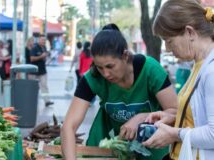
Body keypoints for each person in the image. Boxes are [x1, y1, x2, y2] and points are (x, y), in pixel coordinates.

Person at [61, 23, 178, 160]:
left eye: (110, 66)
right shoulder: (92, 78)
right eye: (100, 67)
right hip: (109, 150)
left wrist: (141, 118)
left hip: (153, 148)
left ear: (125, 55)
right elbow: (68, 127)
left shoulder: (150, 70)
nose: (105, 74)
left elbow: (175, 112)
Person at [142, 0, 214, 159]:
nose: (167, 49)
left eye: (169, 41)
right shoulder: (199, 64)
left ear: (190, 32)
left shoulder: (211, 71)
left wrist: (175, 134)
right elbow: (200, 116)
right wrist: (176, 118)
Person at [30, 35, 54, 107]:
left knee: (44, 86)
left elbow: (44, 57)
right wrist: (41, 56)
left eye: (44, 40)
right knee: (34, 87)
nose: (43, 41)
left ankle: (47, 101)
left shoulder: (44, 48)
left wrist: (46, 58)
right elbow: (32, 59)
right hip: (34, 72)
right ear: (39, 40)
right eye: (42, 40)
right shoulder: (34, 48)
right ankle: (32, 100)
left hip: (43, 71)